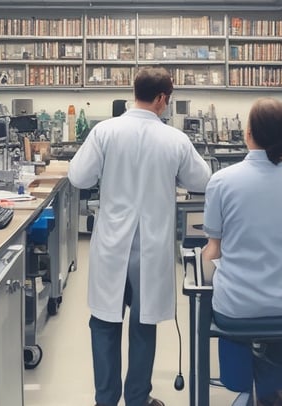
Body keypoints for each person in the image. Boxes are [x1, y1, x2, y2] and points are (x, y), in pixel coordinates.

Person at [68, 67, 212, 406]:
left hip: (112, 245)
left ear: (135, 92)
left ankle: (105, 399)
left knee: (104, 323)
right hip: (151, 246)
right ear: (162, 98)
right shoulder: (174, 138)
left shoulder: (105, 131)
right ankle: (137, 398)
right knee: (143, 323)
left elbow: (78, 177)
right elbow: (203, 181)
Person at [201, 98, 282, 406]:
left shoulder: (221, 181)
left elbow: (213, 251)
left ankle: (251, 387)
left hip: (235, 310)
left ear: (248, 133)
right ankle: (271, 388)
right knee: (281, 350)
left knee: (238, 360)